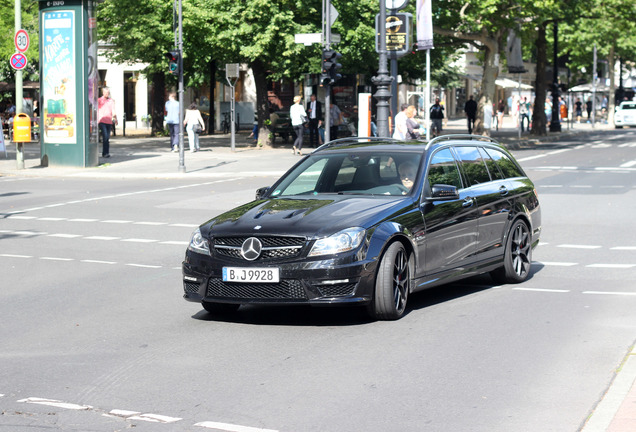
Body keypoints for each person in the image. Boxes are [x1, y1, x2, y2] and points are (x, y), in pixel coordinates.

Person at [97, 87, 117, 158]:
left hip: (109, 121)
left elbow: (113, 110)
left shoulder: (111, 101)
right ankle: (105, 153)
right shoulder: (99, 100)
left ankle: (106, 152)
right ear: (103, 93)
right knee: (105, 136)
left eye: (108, 92)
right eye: (105, 92)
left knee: (107, 138)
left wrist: (115, 119)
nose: (107, 94)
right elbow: (95, 109)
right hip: (102, 121)